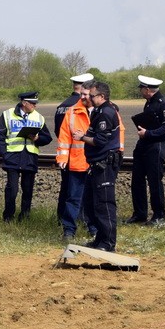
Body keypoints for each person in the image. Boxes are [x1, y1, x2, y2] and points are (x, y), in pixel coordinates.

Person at [73, 81, 121, 251]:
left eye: (92, 96)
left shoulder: (106, 113)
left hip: (105, 164)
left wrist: (81, 137)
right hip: (96, 163)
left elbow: (100, 141)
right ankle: (99, 239)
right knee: (92, 203)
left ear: (101, 96)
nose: (89, 98)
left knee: (104, 204)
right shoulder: (99, 111)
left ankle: (108, 243)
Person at [0, 91, 52, 222]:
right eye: (33, 103)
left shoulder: (39, 117)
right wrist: (6, 155)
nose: (35, 106)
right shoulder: (7, 115)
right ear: (24, 103)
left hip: (30, 158)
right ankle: (8, 217)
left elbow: (47, 138)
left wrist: (37, 138)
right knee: (12, 190)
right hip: (13, 158)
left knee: (27, 190)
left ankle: (24, 217)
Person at [126, 76, 165, 226]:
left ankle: (159, 215)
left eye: (141, 88)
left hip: (155, 145)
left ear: (147, 89)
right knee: (137, 180)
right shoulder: (149, 103)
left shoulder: (163, 104)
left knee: (154, 181)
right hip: (143, 145)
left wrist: (148, 133)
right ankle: (140, 213)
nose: (140, 91)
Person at [54, 73, 94, 223]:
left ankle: (62, 219)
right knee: (82, 195)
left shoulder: (62, 106)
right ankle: (81, 221)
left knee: (67, 192)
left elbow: (59, 134)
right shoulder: (74, 108)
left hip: (70, 158)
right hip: (79, 159)